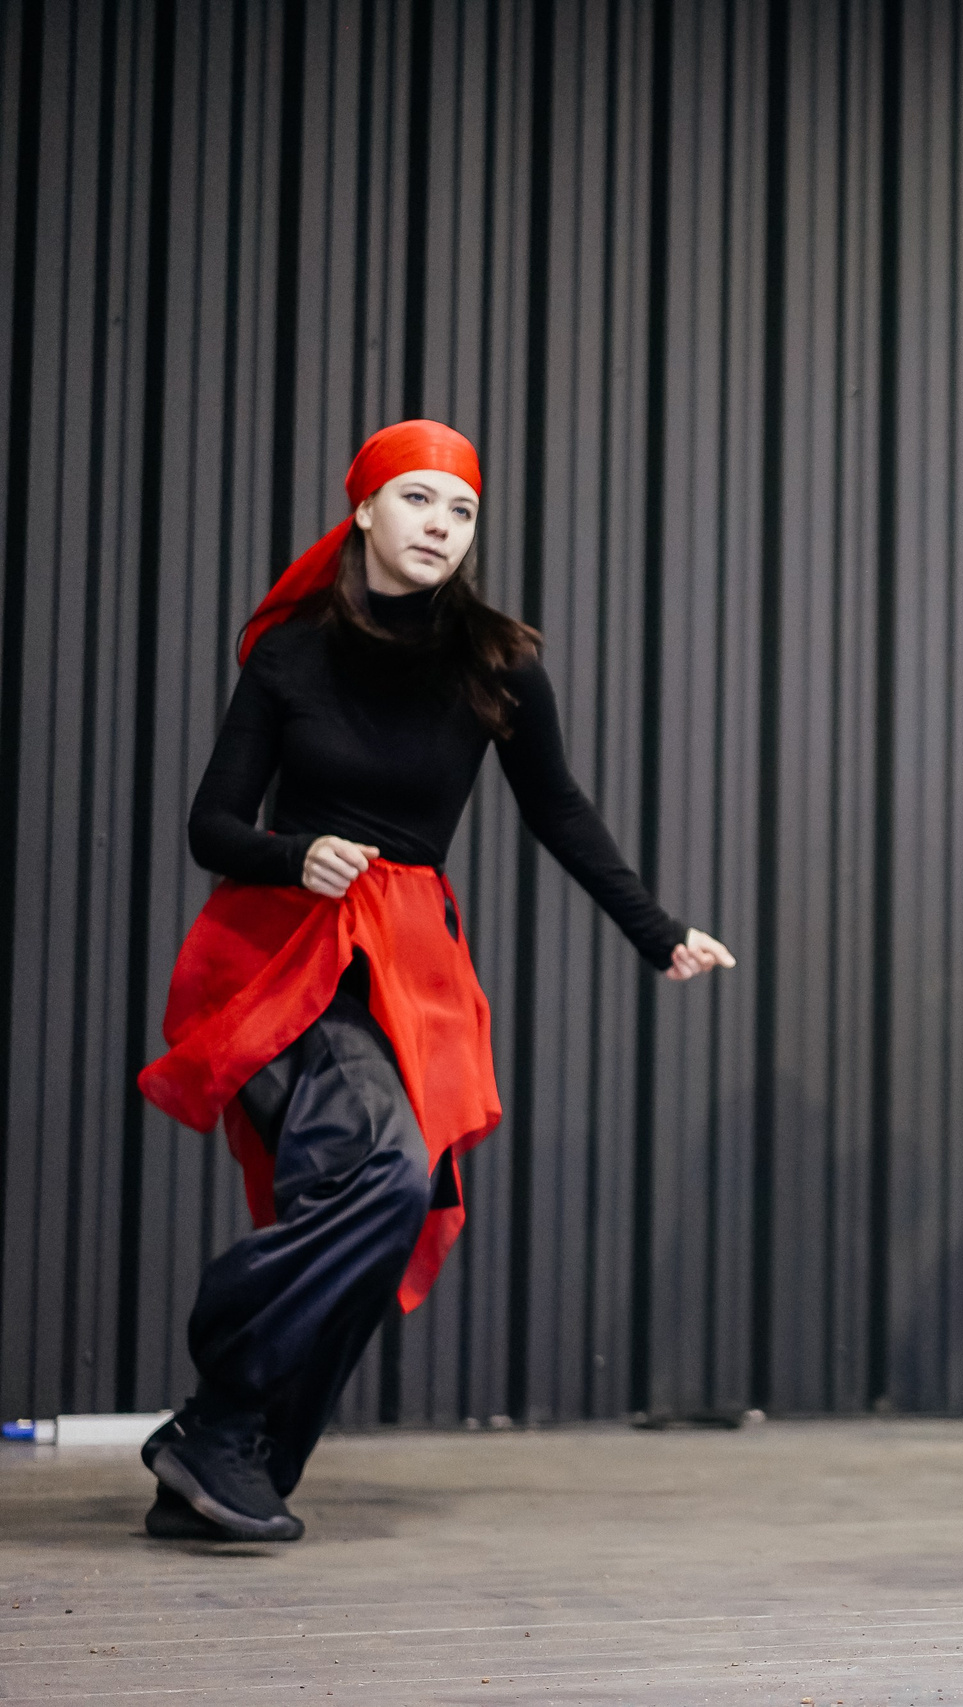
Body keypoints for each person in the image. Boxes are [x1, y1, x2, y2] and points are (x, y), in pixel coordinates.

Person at [135, 421, 732, 1542]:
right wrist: (291, 852)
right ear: (362, 510)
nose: (441, 528)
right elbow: (212, 824)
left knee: (379, 1207)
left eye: (460, 512)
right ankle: (218, 1415)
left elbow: (558, 810)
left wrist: (657, 932)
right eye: (417, 502)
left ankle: (228, 1458)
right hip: (278, 960)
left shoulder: (495, 663)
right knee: (388, 1183)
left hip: (408, 967)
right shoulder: (291, 654)